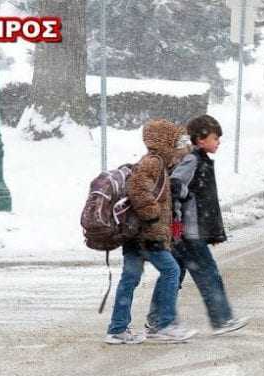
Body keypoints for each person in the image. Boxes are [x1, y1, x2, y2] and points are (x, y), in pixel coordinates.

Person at [105, 119, 197, 345]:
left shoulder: (157, 164)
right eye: (176, 143)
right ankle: (162, 325)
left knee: (130, 279)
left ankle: (117, 328)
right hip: (148, 234)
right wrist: (152, 214)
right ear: (166, 143)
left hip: (136, 235)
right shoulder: (153, 162)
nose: (180, 148)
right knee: (171, 271)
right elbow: (137, 188)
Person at [156, 114, 248, 335]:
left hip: (187, 231)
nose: (219, 142)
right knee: (207, 273)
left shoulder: (200, 159)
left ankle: (157, 318)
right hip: (189, 231)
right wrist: (186, 201)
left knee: (173, 275)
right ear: (200, 139)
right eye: (215, 138)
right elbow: (175, 184)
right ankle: (221, 319)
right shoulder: (193, 159)